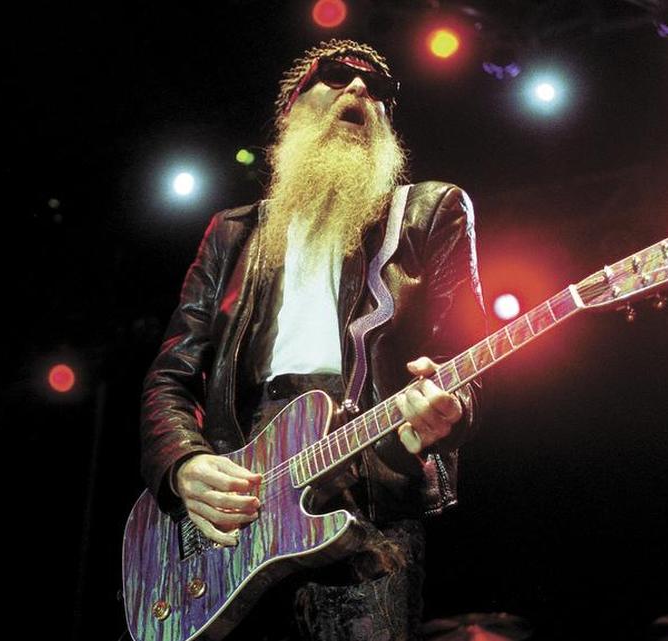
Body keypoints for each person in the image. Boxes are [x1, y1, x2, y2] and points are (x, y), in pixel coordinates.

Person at [139, 39, 487, 640]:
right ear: (292, 110)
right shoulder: (232, 233)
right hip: (239, 497)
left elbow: (465, 362)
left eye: (378, 88)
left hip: (366, 486)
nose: (359, 90)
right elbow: (172, 375)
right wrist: (183, 463)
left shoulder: (429, 211)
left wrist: (446, 411)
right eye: (335, 76)